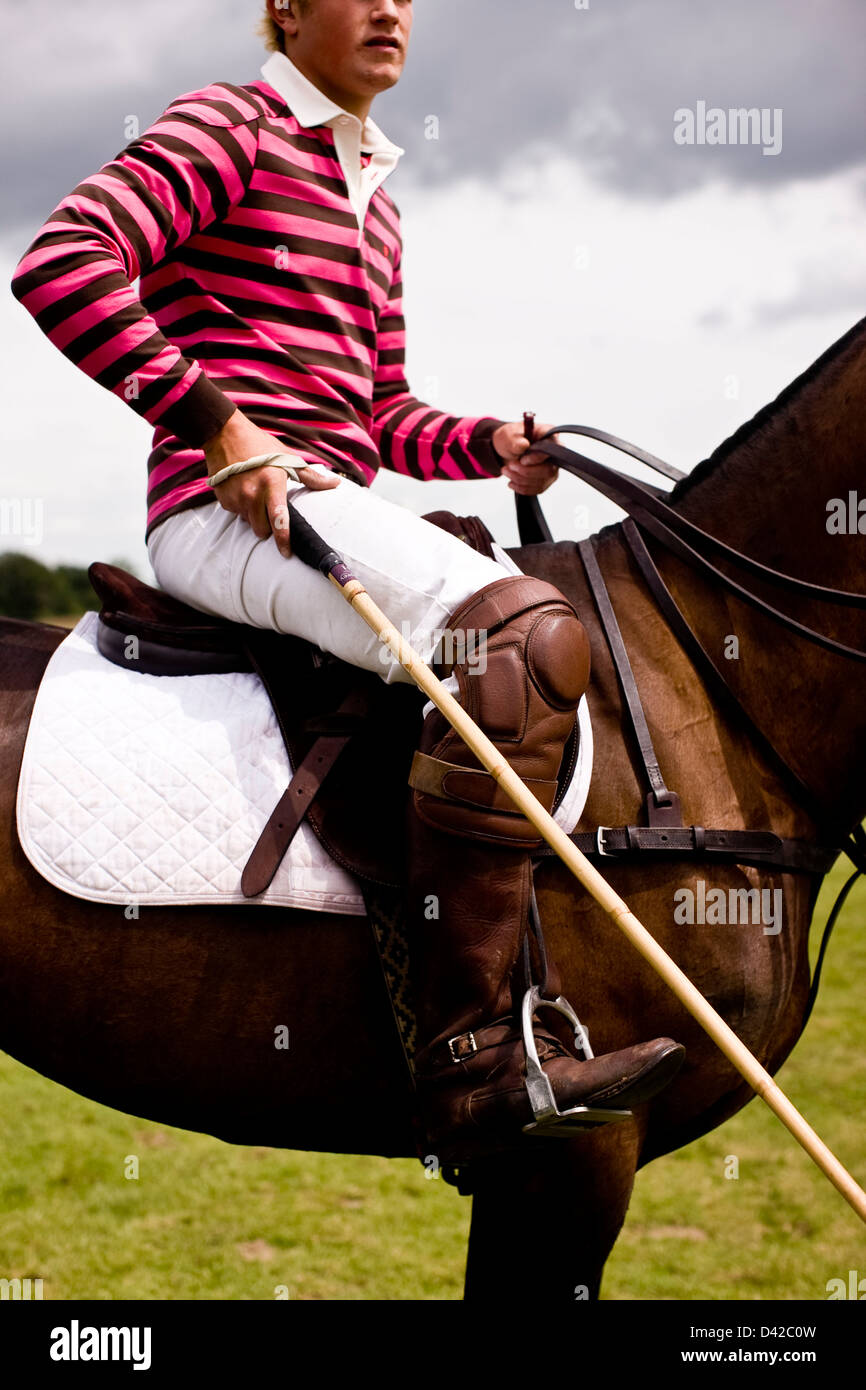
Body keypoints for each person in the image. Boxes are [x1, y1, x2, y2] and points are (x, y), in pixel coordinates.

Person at [11, 0, 683, 1164]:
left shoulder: (377, 203)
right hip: (218, 518)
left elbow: (376, 417)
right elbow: (60, 262)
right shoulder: (232, 123)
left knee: (515, 631)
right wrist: (218, 426)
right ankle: (473, 1055)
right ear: (283, 9)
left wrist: (487, 442)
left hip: (328, 501)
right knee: (518, 638)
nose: (388, 9)